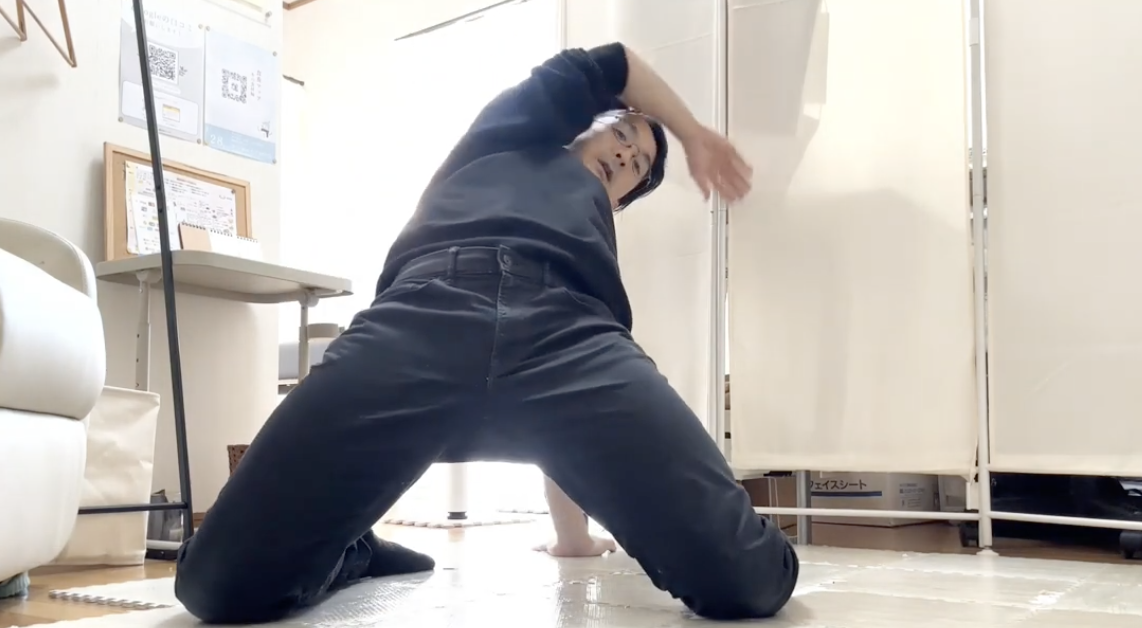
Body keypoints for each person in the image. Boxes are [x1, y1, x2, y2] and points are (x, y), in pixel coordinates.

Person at [173, 42, 800, 624]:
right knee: (214, 585)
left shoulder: (590, 227)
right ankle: (351, 551)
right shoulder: (513, 133)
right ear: (584, 123)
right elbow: (615, 63)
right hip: (420, 318)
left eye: (639, 165)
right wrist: (691, 135)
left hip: (572, 334)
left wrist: (573, 538)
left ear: (620, 199)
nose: (626, 155)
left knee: (748, 582)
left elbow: (575, 435)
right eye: (622, 133)